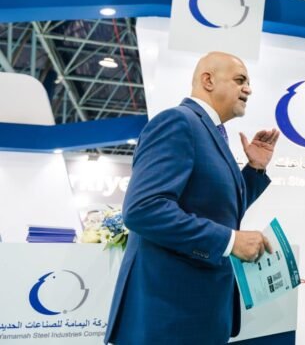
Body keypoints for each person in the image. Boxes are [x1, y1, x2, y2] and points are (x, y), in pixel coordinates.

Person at [105, 52, 280, 344]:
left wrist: (255, 170)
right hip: (169, 314)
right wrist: (229, 241)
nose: (248, 89)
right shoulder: (178, 121)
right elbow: (143, 209)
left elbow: (217, 209)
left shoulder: (210, 132)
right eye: (240, 80)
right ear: (208, 80)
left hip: (196, 311)